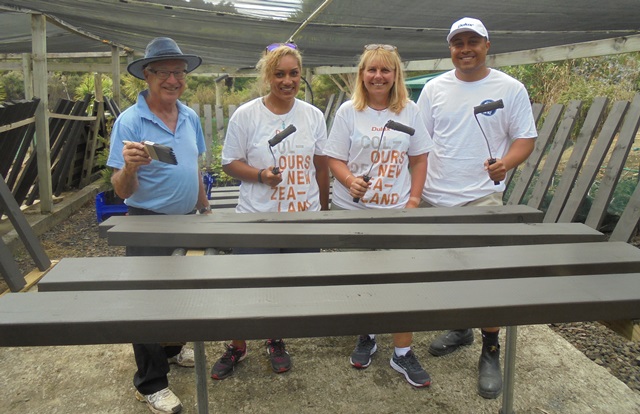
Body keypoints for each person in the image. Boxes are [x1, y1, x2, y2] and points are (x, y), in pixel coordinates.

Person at [417, 17, 538, 399]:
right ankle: (460, 328)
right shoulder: (434, 89)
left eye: (473, 41)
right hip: (436, 196)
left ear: (487, 45)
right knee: (446, 271)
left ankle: (490, 348)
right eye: (458, 43)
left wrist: (506, 163)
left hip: (481, 196)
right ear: (450, 49)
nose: (465, 49)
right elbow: (420, 144)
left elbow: (525, 138)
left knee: (487, 275)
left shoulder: (509, 88)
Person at [210, 42, 330, 380]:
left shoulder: (313, 116)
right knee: (246, 284)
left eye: (293, 74)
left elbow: (321, 167)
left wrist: (323, 212)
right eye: (279, 74)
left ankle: (275, 338)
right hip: (257, 217)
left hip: (301, 217)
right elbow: (229, 163)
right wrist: (261, 175)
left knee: (285, 285)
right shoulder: (247, 115)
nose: (287, 81)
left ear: (301, 75)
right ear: (267, 76)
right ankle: (237, 344)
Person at [107, 37, 211, 414]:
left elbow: (193, 167)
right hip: (147, 223)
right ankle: (151, 383)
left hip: (186, 220)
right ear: (147, 75)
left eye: (179, 72)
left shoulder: (190, 116)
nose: (172, 79)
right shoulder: (130, 121)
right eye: (163, 72)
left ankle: (172, 348)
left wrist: (204, 207)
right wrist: (129, 167)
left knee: (181, 291)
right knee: (145, 301)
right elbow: (120, 190)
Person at [324, 44, 434, 387]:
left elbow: (419, 158)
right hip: (353, 211)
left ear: (395, 75)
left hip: (395, 211)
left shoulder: (410, 111)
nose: (378, 76)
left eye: (386, 70)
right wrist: (349, 180)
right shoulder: (348, 112)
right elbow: (334, 158)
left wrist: (413, 200)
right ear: (362, 74)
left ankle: (402, 352)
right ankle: (367, 335)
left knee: (402, 281)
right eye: (372, 69)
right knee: (361, 279)